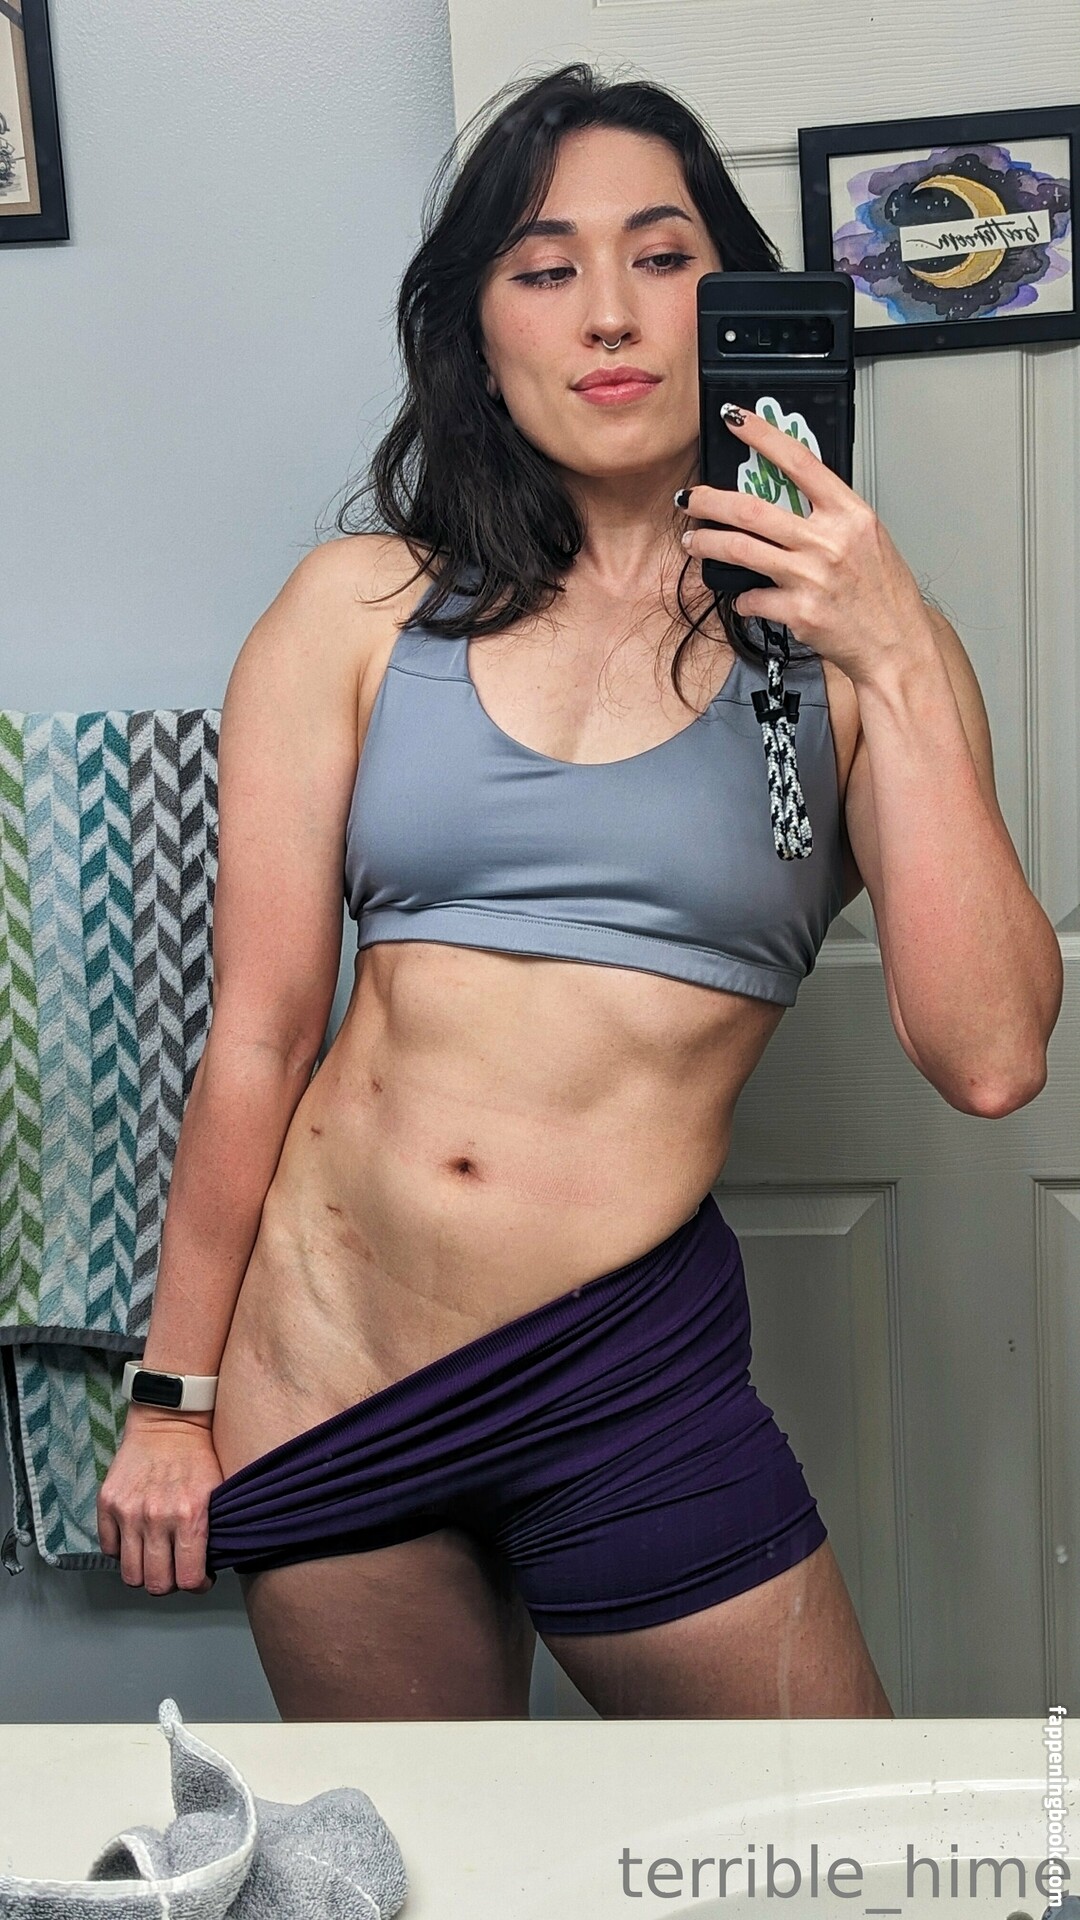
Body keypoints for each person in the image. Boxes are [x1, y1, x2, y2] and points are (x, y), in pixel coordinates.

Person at [96, 63, 1062, 1721]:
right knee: (417, 1858)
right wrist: (171, 1397)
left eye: (662, 257)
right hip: (327, 1373)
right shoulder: (354, 613)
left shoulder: (860, 660)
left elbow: (991, 1059)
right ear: (482, 338)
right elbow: (258, 1033)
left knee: (831, 1845)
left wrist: (892, 642)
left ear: (734, 305)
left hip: (624, 1388)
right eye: (545, 269)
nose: (609, 312)